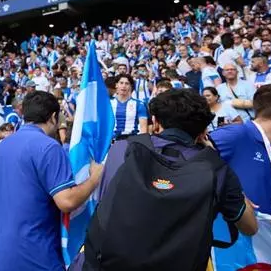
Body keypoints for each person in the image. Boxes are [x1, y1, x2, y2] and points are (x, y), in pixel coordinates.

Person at [79, 89, 257, 270]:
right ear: (204, 131)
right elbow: (250, 227)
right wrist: (215, 155)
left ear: (155, 122)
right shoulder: (216, 168)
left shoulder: (122, 149)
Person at [0, 91, 103, 271]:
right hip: (36, 257)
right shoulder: (49, 147)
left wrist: (12, 208)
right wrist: (94, 178)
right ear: (53, 117)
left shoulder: (2, 147)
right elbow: (67, 201)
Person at [210, 84, 271, 230]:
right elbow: (185, 167)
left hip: (257, 248)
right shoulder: (234, 135)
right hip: (226, 247)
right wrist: (231, 196)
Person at [111, 74, 149, 140]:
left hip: (132, 140)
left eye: (127, 83)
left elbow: (143, 128)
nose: (124, 86)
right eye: (121, 83)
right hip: (112, 140)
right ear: (116, 85)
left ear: (130, 86)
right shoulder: (109, 103)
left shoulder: (139, 104)